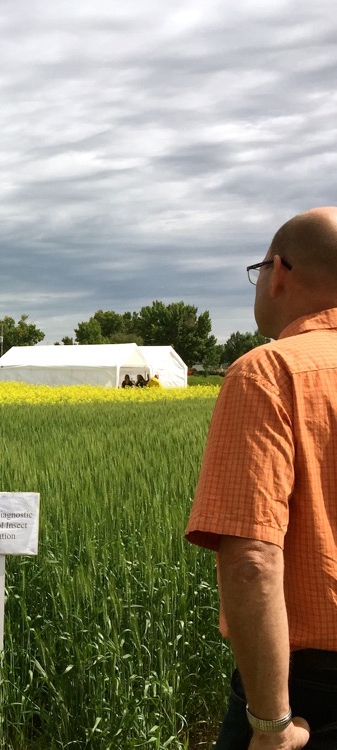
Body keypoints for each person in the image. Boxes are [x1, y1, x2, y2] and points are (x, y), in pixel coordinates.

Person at [186, 207, 337, 749]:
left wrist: (272, 724)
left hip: (313, 691)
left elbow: (252, 557)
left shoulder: (268, 372)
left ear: (280, 273)